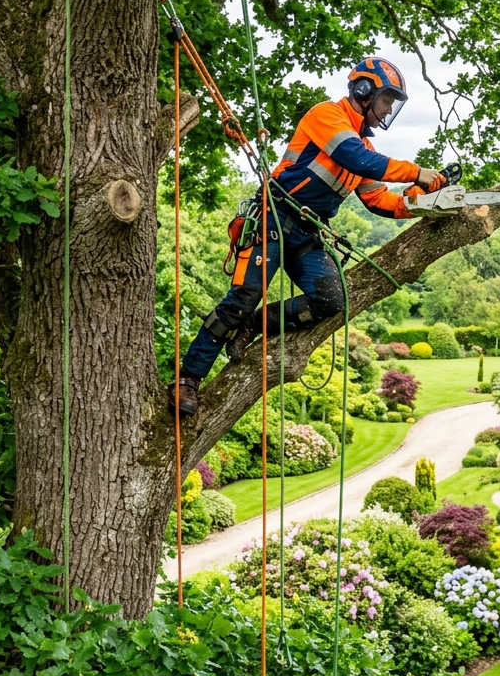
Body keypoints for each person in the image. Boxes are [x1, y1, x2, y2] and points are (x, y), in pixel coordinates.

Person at [171, 57, 445, 416]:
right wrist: (417, 170)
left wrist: (419, 201)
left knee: (331, 299)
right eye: (386, 99)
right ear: (364, 91)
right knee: (242, 298)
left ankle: (259, 322)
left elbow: (378, 200)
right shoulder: (328, 117)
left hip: (307, 230)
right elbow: (356, 159)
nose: (388, 108)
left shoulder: (366, 148)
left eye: (393, 103)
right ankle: (188, 377)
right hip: (274, 217)